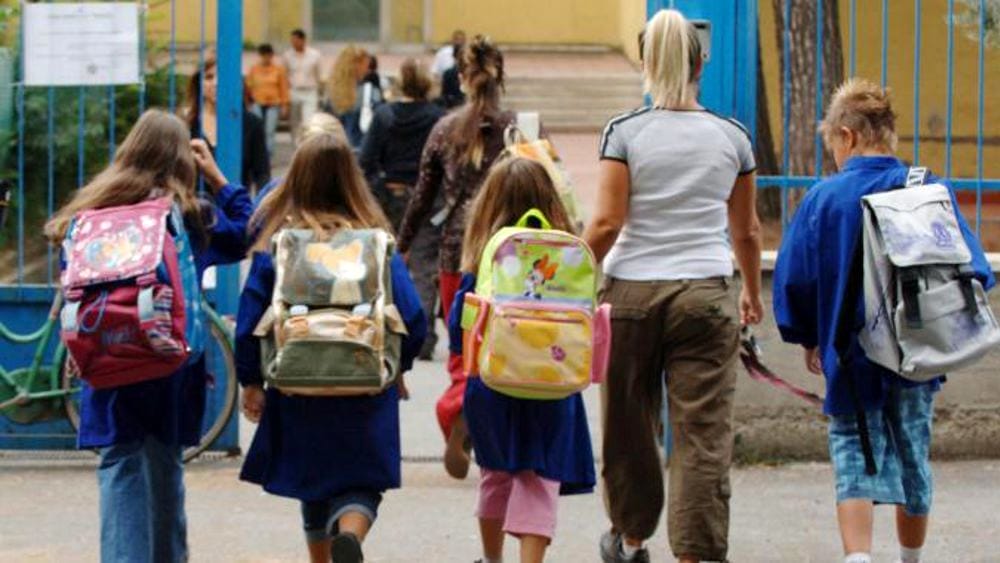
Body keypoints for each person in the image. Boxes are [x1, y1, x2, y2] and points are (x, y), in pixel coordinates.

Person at [773, 78, 995, 563]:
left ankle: (858, 558)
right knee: (913, 454)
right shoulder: (927, 188)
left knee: (853, 448)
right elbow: (974, 268)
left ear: (847, 136)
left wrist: (809, 338)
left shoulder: (822, 200)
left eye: (831, 142)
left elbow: (795, 281)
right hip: (917, 354)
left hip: (849, 355)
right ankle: (909, 559)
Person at [584, 10, 763, 563]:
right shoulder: (733, 137)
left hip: (631, 296)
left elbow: (608, 225)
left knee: (629, 426)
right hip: (705, 295)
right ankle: (696, 553)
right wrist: (752, 292)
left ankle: (632, 539)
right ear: (700, 62)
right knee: (702, 436)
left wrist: (565, 279)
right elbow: (748, 230)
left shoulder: (624, 133)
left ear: (644, 62)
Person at [44, 109, 252, 563]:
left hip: (106, 360)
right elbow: (247, 232)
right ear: (182, 160)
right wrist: (217, 177)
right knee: (164, 463)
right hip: (170, 363)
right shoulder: (191, 217)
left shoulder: (90, 214)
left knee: (120, 462)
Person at [236, 133, 427, 563]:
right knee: (361, 478)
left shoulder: (281, 245)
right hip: (364, 379)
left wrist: (251, 380)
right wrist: (397, 367)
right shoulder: (375, 243)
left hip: (296, 381)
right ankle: (353, 537)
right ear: (351, 180)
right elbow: (412, 316)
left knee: (313, 479)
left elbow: (250, 318)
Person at [397, 36, 540, 480]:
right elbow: (549, 184)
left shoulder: (444, 130)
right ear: (501, 77)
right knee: (509, 348)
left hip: (458, 255)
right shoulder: (522, 128)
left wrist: (400, 246)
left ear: (461, 78)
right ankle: (502, 438)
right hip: (514, 256)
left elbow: (422, 198)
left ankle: (457, 405)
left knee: (464, 350)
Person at [450, 157, 596, 563]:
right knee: (539, 480)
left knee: (495, 474)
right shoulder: (566, 256)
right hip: (554, 383)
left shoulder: (485, 258)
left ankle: (492, 558)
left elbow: (458, 325)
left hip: (493, 384)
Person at [185, 57, 271, 193]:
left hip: (234, 209)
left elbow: (262, 175)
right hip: (192, 210)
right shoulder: (185, 124)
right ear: (198, 83)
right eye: (208, 77)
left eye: (223, 76)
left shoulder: (253, 123)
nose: (216, 83)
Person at [327, 45, 382, 149]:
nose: (367, 70)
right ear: (357, 66)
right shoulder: (369, 91)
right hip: (361, 148)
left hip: (337, 149)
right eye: (366, 65)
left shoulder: (332, 93)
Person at [247, 43, 290, 156]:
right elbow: (249, 86)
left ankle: (268, 154)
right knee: (257, 128)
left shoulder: (278, 70)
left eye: (268, 55)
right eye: (263, 56)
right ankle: (258, 153)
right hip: (257, 102)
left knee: (269, 130)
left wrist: (285, 104)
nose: (266, 58)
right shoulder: (254, 69)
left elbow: (283, 87)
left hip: (273, 103)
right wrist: (248, 102)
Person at [284, 28, 324, 143]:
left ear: (303, 40)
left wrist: (320, 91)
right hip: (294, 91)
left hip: (310, 91)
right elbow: (285, 75)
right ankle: (297, 146)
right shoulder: (287, 56)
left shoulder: (315, 55)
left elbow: (319, 74)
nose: (293, 43)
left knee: (309, 121)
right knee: (295, 122)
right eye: (292, 41)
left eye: (296, 40)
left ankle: (307, 146)